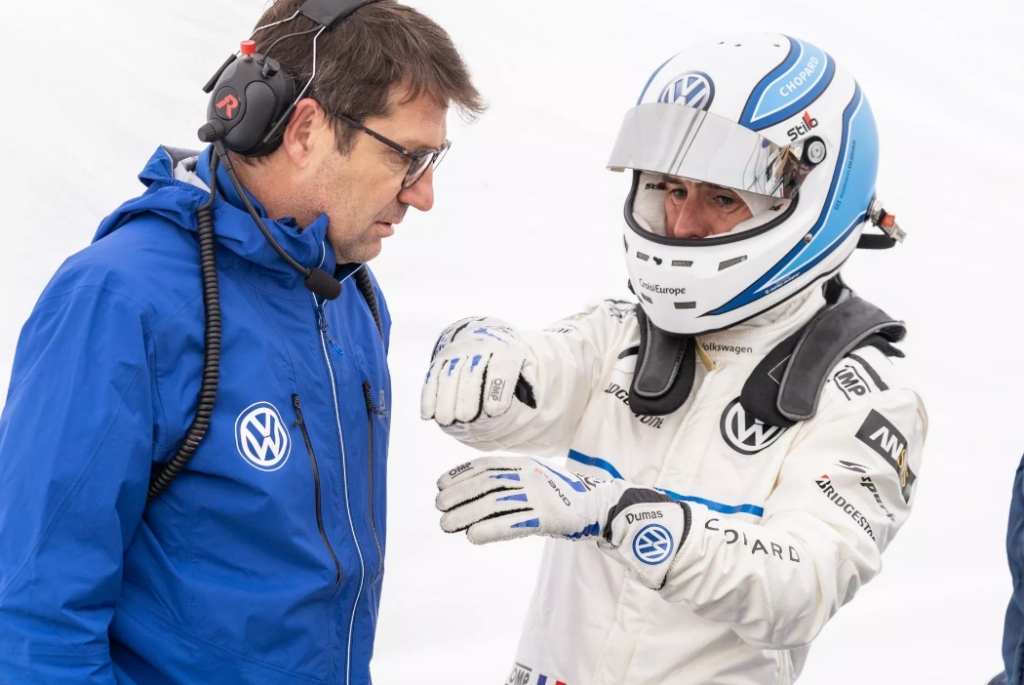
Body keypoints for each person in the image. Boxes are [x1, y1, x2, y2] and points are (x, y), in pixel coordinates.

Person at [0, 1, 482, 683]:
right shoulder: (120, 300)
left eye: (433, 159)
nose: (423, 193)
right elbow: (33, 623)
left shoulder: (348, 295)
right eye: (407, 157)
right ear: (306, 130)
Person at [421, 33, 925, 684]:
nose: (684, 225)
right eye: (671, 189)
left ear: (814, 206)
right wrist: (479, 349)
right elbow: (519, 395)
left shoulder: (863, 396)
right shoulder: (620, 332)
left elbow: (800, 588)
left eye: (723, 198)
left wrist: (616, 514)